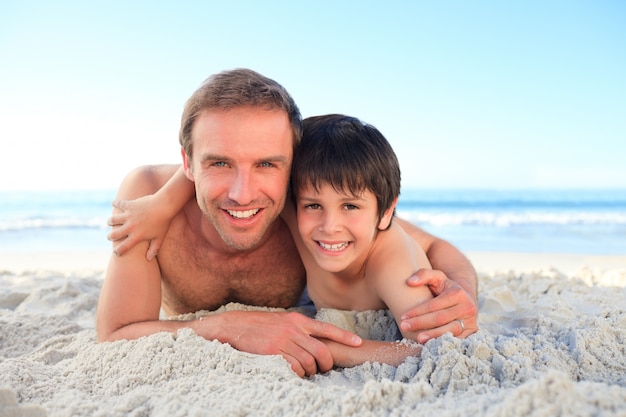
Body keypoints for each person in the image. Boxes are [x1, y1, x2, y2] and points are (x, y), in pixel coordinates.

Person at [98, 68, 478, 377]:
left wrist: (460, 295)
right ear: (187, 162)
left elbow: (431, 248)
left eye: (266, 164)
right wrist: (226, 327)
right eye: (219, 163)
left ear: (291, 163)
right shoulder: (146, 198)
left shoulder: (304, 201)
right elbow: (116, 335)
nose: (244, 194)